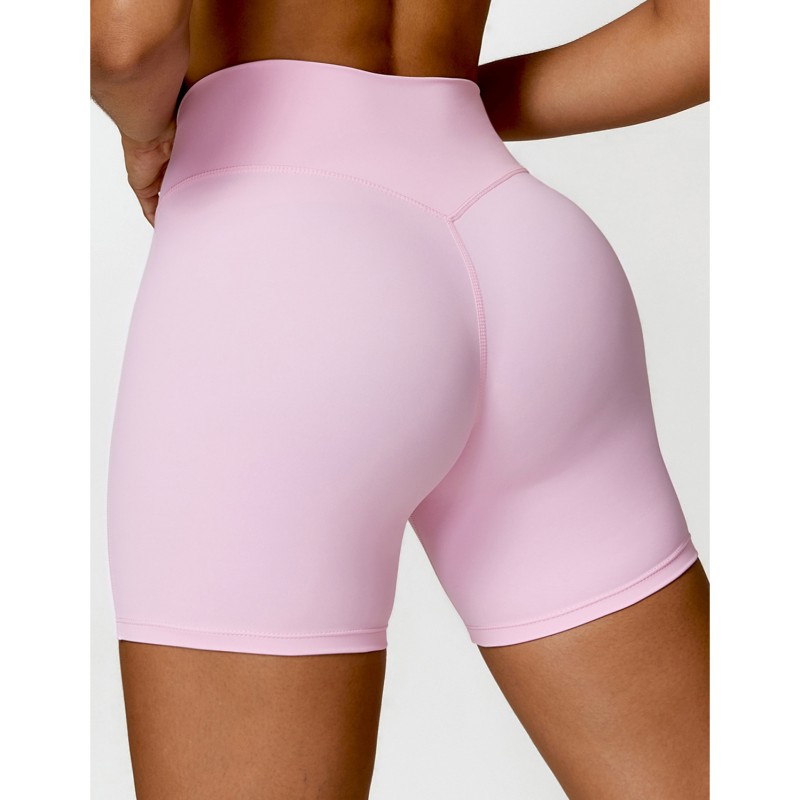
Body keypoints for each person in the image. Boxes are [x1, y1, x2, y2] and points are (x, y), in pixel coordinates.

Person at [91, 0, 710, 797]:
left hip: (278, 259)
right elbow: (704, 29)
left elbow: (129, 42)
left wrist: (145, 134)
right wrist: (448, 105)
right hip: (520, 242)